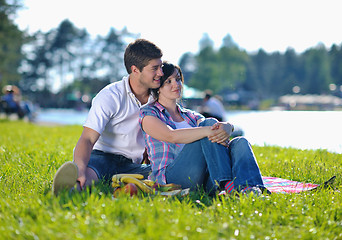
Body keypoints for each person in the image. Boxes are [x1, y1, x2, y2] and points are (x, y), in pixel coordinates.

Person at [52, 39, 164, 195]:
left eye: (161, 67)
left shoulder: (158, 97)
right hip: (102, 158)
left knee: (164, 175)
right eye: (155, 68)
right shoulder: (110, 96)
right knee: (88, 177)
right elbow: (88, 138)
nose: (161, 73)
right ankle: (70, 187)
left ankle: (126, 183)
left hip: (132, 165)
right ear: (135, 70)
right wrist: (80, 169)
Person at [139, 62, 267, 195]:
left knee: (240, 142)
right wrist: (208, 130)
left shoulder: (191, 115)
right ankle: (225, 184)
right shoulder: (148, 113)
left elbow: (214, 128)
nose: (176, 84)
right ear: (158, 87)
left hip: (204, 178)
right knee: (208, 124)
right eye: (168, 81)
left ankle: (251, 189)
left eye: (178, 79)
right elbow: (171, 136)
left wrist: (229, 127)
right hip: (172, 178)